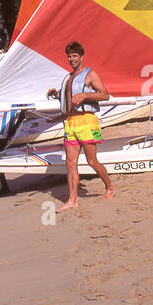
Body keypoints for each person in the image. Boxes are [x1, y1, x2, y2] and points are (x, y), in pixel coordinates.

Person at [47, 41, 115, 211]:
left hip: (87, 121)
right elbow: (70, 98)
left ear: (81, 56)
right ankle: (72, 200)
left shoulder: (90, 75)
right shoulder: (69, 78)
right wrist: (57, 94)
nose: (71, 59)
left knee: (92, 161)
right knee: (71, 162)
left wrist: (85, 95)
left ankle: (110, 188)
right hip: (70, 122)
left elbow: (105, 95)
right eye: (69, 56)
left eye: (75, 56)